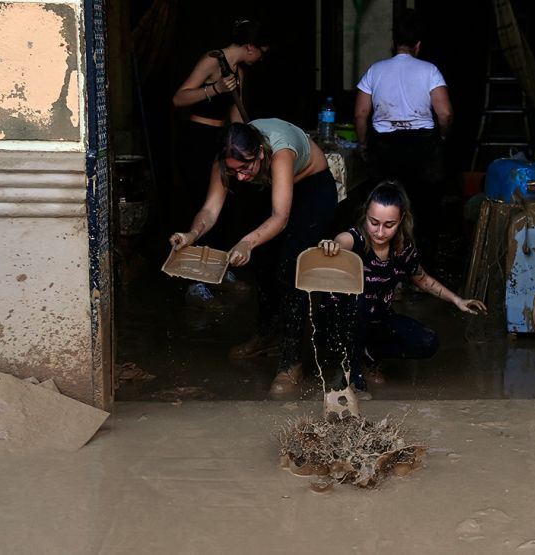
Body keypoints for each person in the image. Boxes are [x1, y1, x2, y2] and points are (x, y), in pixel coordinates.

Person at [169, 119, 336, 397]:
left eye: (245, 169)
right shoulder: (229, 160)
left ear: (260, 152)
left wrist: (246, 243)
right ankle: (267, 335)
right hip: (270, 187)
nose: (241, 178)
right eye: (234, 172)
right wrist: (191, 235)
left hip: (311, 189)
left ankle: (291, 361)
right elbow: (210, 211)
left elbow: (280, 218)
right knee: (264, 262)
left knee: (290, 266)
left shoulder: (281, 153)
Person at [317, 181, 485, 400]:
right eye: (373, 222)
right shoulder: (355, 239)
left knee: (427, 342)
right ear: (365, 215)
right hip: (340, 323)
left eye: (389, 225)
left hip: (376, 321)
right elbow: (340, 241)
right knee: (358, 303)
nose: (379, 231)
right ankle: (352, 374)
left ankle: (368, 354)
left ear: (402, 220)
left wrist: (457, 300)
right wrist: (332, 246)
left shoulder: (402, 249)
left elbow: (422, 279)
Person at [171, 20, 269, 305]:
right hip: (196, 139)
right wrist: (213, 89)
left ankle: (217, 269)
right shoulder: (212, 61)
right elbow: (178, 98)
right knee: (201, 206)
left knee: (228, 205)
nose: (261, 57)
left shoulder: (239, 72)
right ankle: (194, 280)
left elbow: (236, 116)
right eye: (260, 51)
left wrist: (248, 141)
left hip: (222, 140)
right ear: (249, 46)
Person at [354, 10, 452, 270]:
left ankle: (384, 271)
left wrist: (364, 144)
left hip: (385, 149)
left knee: (384, 211)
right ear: (418, 45)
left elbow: (361, 113)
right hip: (423, 148)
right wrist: (440, 137)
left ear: (393, 44)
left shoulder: (375, 71)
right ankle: (422, 273)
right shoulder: (430, 70)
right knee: (425, 211)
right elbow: (445, 113)